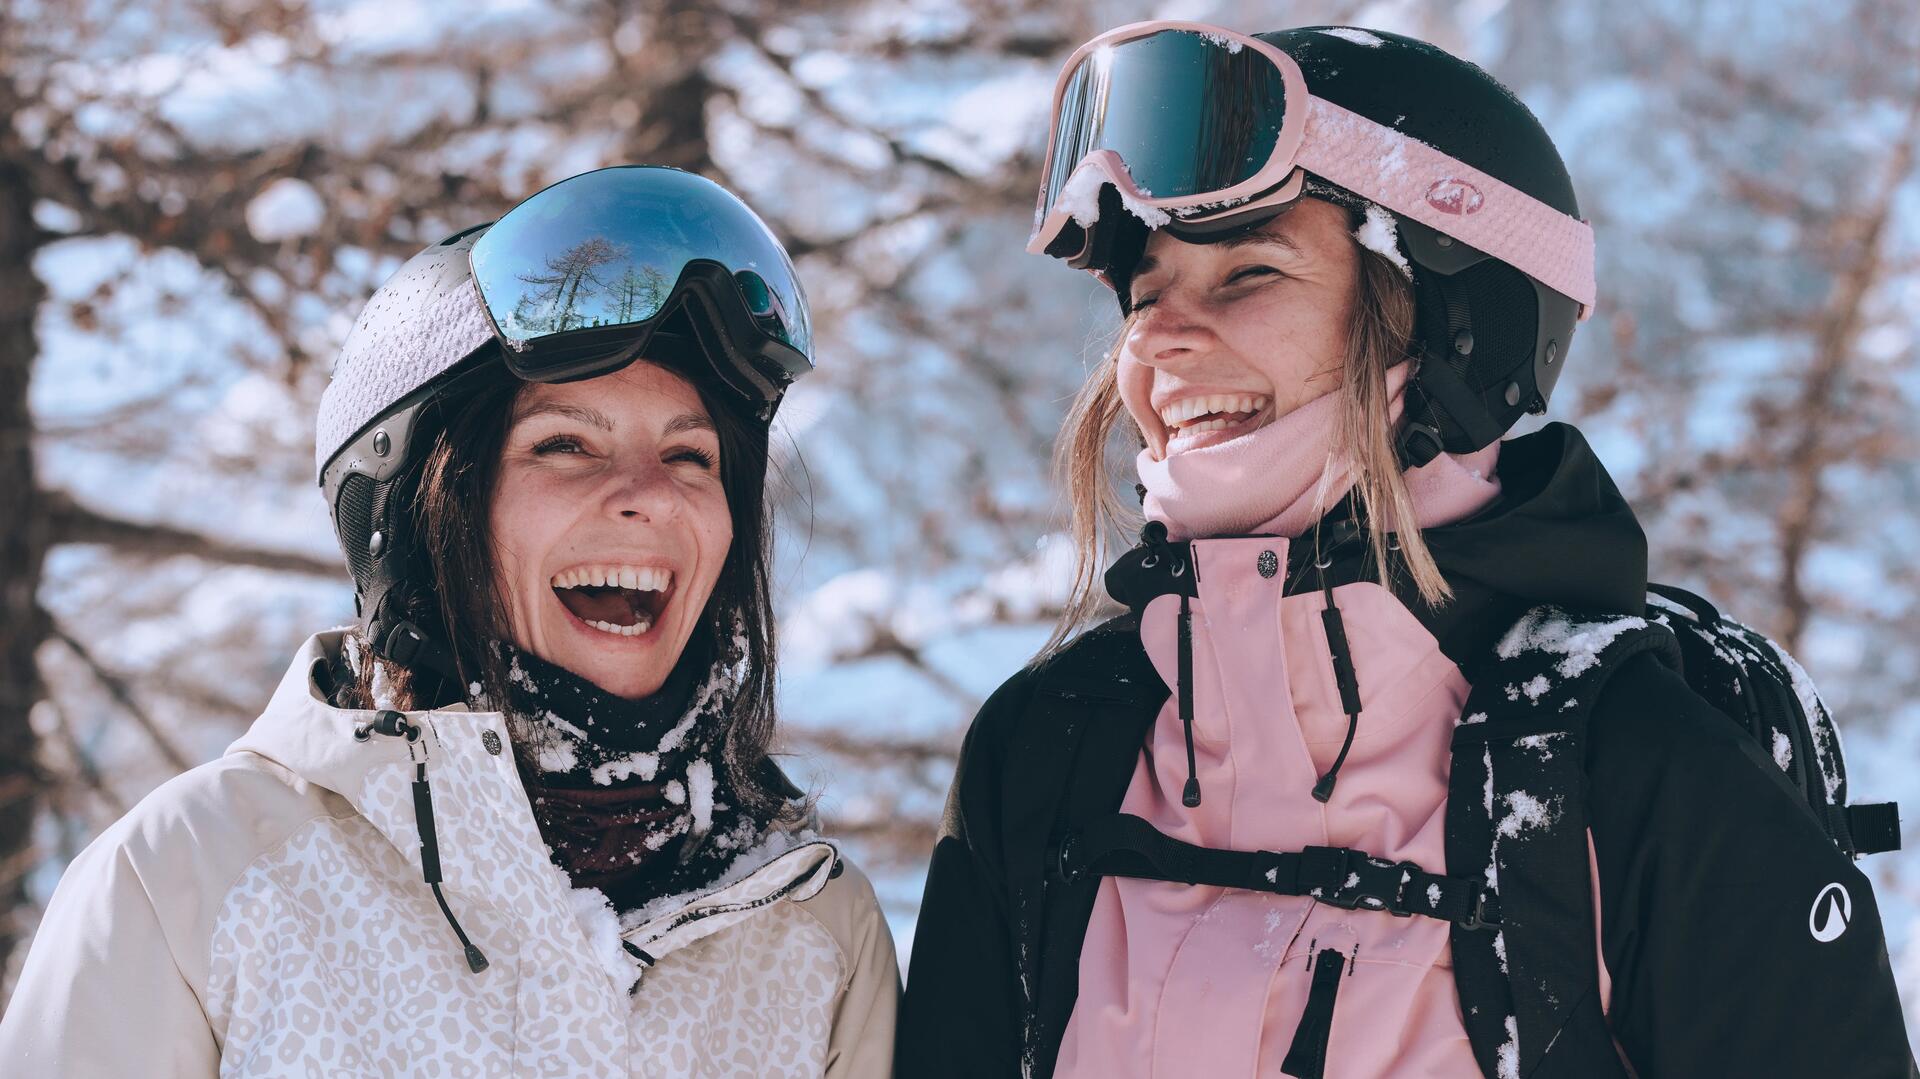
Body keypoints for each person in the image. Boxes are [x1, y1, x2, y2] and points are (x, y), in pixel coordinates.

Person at [897, 22, 1914, 1079]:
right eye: (1146, 292)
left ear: (1447, 331)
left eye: (1248, 271)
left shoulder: (1632, 774)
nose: (1159, 341)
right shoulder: (1051, 747)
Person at [0, 166, 898, 1077]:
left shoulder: (814, 936)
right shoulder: (194, 885)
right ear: (421, 522)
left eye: (690, 454)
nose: (650, 498)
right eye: (564, 444)